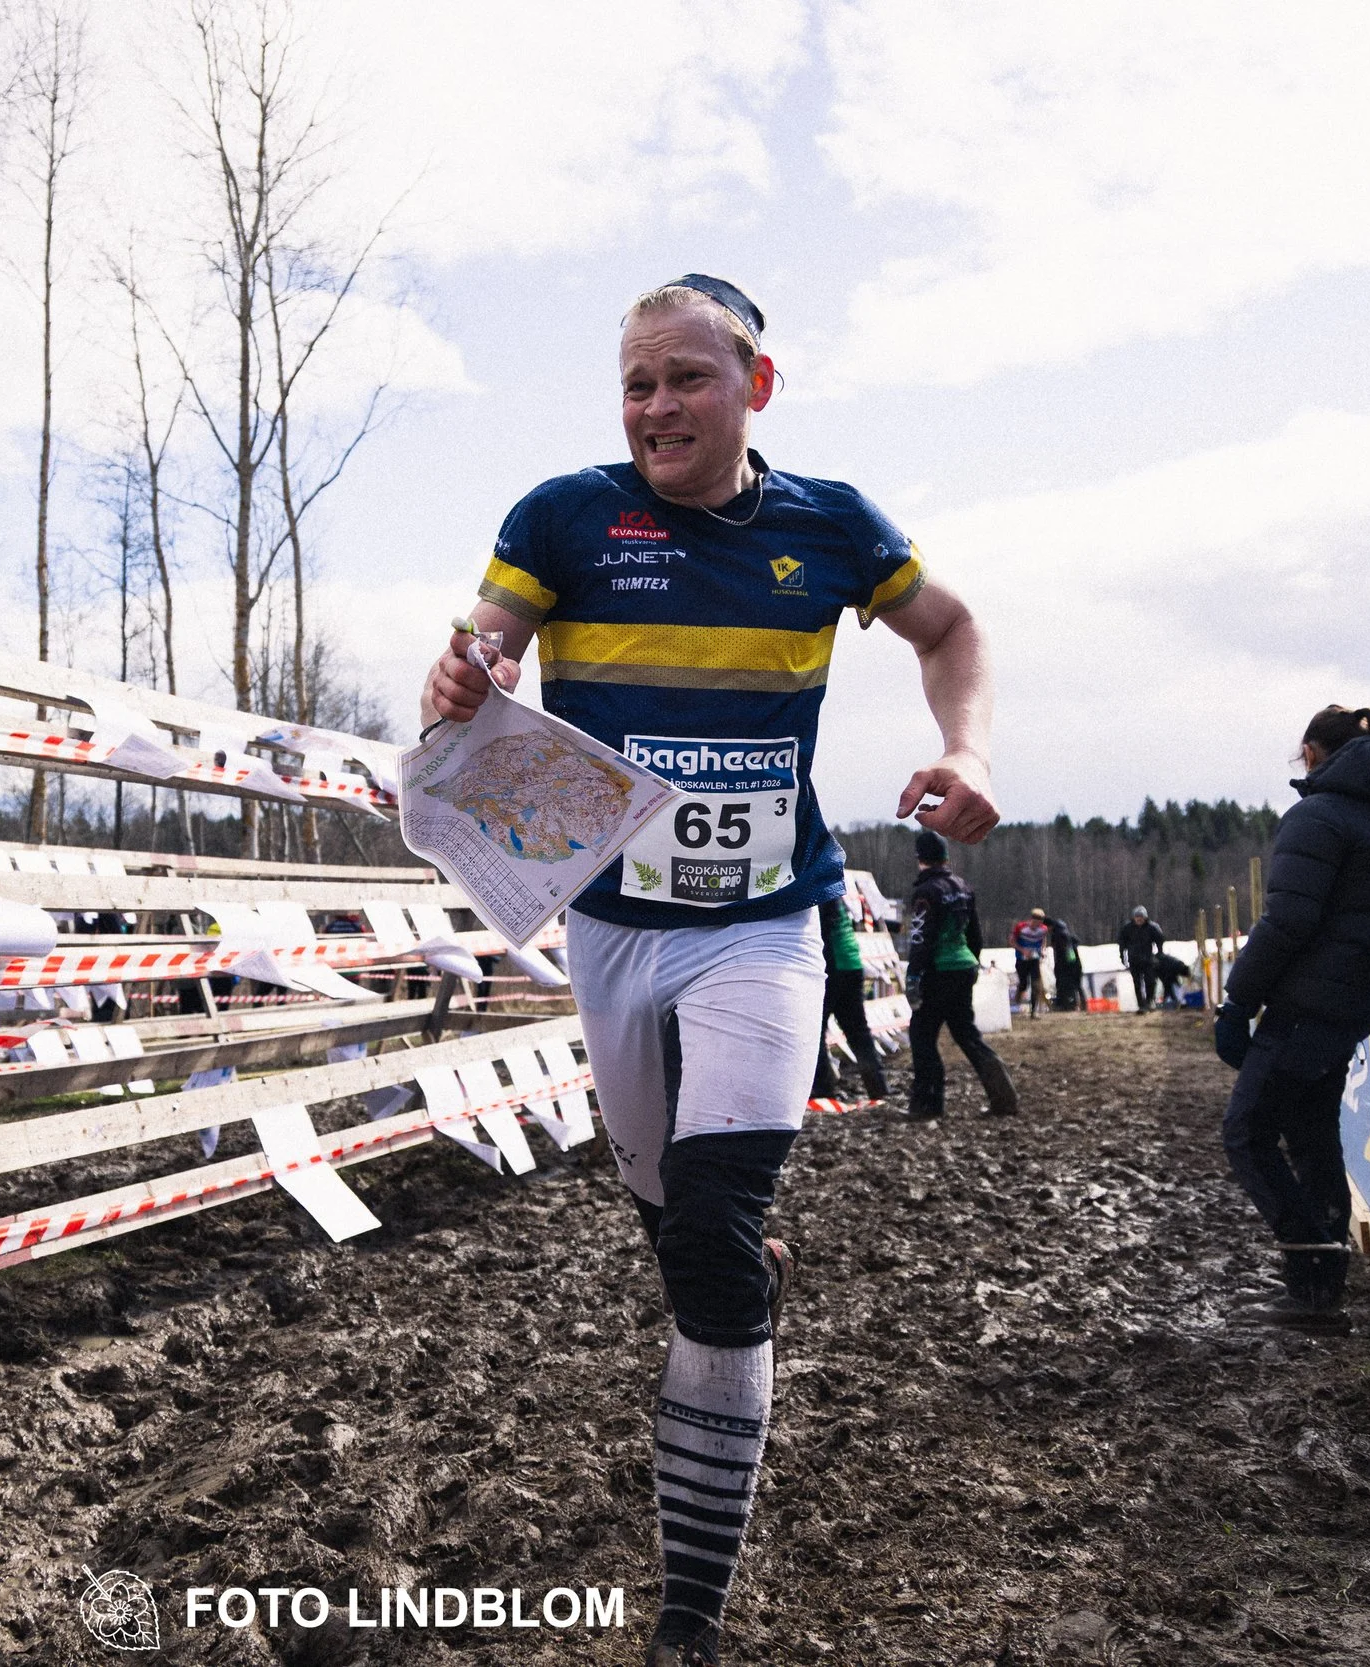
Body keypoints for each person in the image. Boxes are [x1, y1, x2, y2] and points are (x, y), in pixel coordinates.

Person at [423, 273, 997, 1667]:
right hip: (613, 931)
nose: (657, 406)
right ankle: (736, 1271)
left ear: (757, 386)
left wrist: (968, 747)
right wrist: (464, 679)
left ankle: (690, 1611)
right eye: (637, 383)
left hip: (764, 923)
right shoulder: (564, 516)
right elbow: (481, 649)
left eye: (686, 377)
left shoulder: (833, 526)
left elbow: (950, 629)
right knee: (681, 1238)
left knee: (711, 1233)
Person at [1216, 705, 1370, 1331]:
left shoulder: (1317, 815)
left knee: (1247, 1133)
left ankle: (1312, 1266)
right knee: (1311, 1136)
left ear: (1312, 752)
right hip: (1349, 1005)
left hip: (1305, 1005)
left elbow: (1287, 920)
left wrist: (1238, 1000)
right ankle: (1318, 1289)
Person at [902, 829, 1020, 1120]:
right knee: (967, 1035)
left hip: (938, 970)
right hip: (963, 966)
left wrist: (914, 976)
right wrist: (972, 963)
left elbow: (921, 938)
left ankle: (928, 1105)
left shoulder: (926, 892)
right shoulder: (964, 887)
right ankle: (1004, 1097)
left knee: (922, 1036)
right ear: (945, 857)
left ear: (920, 859)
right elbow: (975, 935)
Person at [807, 896, 889, 1104]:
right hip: (851, 962)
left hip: (832, 963)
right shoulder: (833, 892)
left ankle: (822, 1088)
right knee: (858, 1031)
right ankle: (878, 1088)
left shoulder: (817, 894)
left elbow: (821, 931)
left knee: (814, 1028)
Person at [1117, 905, 1166, 1012]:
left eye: (1141, 917)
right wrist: (1122, 957)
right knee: (1137, 983)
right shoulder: (1127, 928)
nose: (1139, 919)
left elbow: (1160, 940)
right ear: (1134, 918)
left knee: (1150, 981)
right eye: (1137, 917)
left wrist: (1159, 954)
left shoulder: (1151, 927)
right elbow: (1121, 943)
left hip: (1148, 959)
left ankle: (1149, 1001)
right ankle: (1141, 1005)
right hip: (1133, 959)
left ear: (1145, 917)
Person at [1009, 908, 1049, 1017]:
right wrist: (1023, 950)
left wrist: (1042, 950)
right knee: (1024, 984)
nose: (1037, 926)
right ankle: (1017, 997)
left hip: (1034, 959)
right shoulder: (1021, 927)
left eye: (1039, 923)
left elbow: (1043, 939)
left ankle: (1033, 1011)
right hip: (1021, 959)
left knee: (1036, 984)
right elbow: (1012, 941)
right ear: (1031, 919)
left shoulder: (1043, 929)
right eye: (1035, 923)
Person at [1048, 916, 1085, 1011]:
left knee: (1067, 986)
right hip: (1075, 965)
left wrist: (1063, 966)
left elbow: (1067, 954)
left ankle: (1069, 1005)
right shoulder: (1069, 935)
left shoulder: (1059, 936)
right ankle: (1082, 1005)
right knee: (1078, 986)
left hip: (1066, 966)